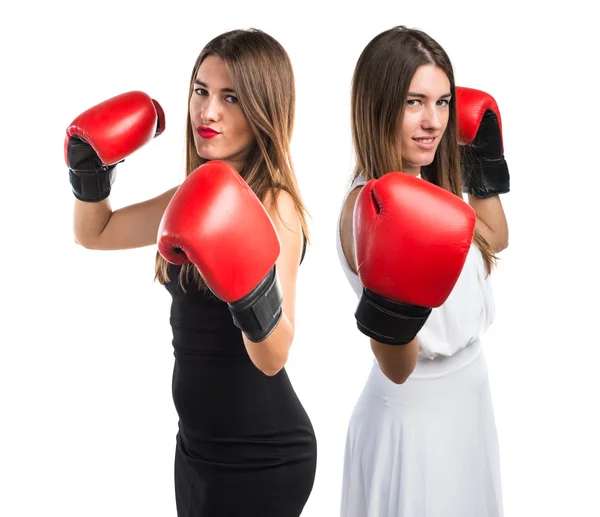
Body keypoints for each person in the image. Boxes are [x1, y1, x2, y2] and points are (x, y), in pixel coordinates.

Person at [66, 28, 317, 517]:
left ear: (264, 110)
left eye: (231, 98)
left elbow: (275, 354)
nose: (208, 111)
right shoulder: (192, 196)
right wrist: (88, 174)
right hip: (197, 449)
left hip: (261, 455)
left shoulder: (275, 204)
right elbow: (94, 233)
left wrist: (247, 286)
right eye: (201, 91)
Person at [336, 26, 509, 517]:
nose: (433, 121)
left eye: (443, 102)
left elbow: (493, 239)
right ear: (378, 105)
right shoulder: (372, 206)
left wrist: (482, 164)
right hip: (414, 419)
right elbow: (397, 366)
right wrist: (396, 298)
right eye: (414, 102)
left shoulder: (428, 182)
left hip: (470, 399)